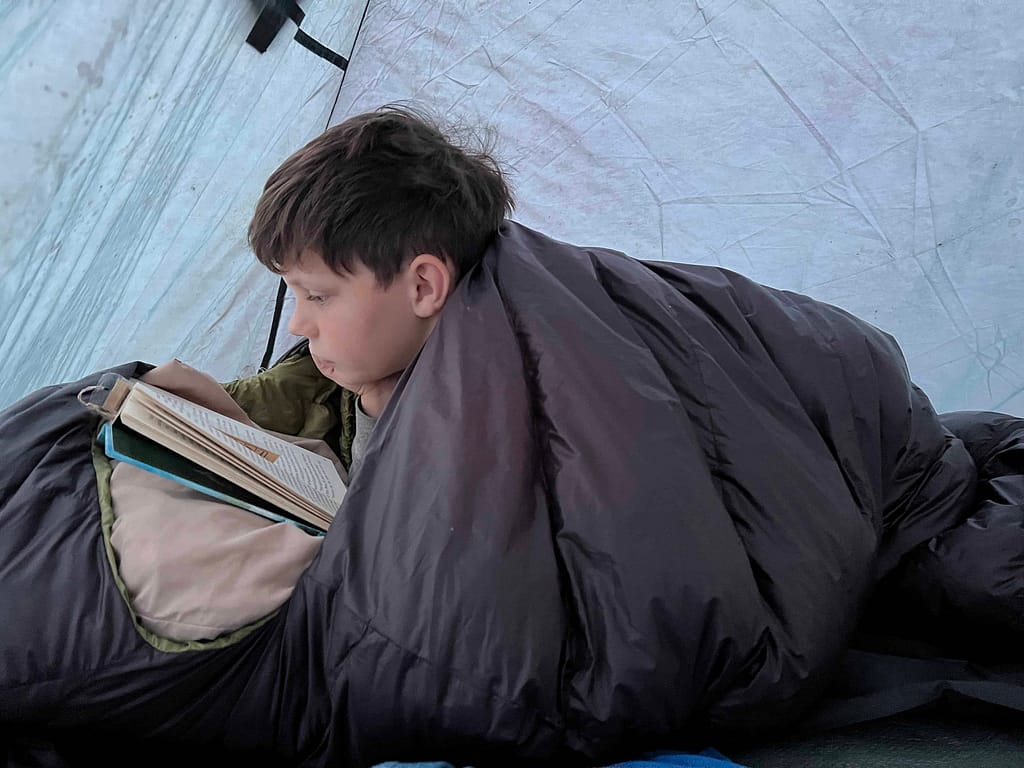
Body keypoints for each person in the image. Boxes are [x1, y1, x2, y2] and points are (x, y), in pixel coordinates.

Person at [245, 105, 514, 477]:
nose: (297, 325)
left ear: (422, 287)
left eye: (318, 296)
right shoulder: (390, 360)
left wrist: (374, 409)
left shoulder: (487, 426)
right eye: (295, 294)